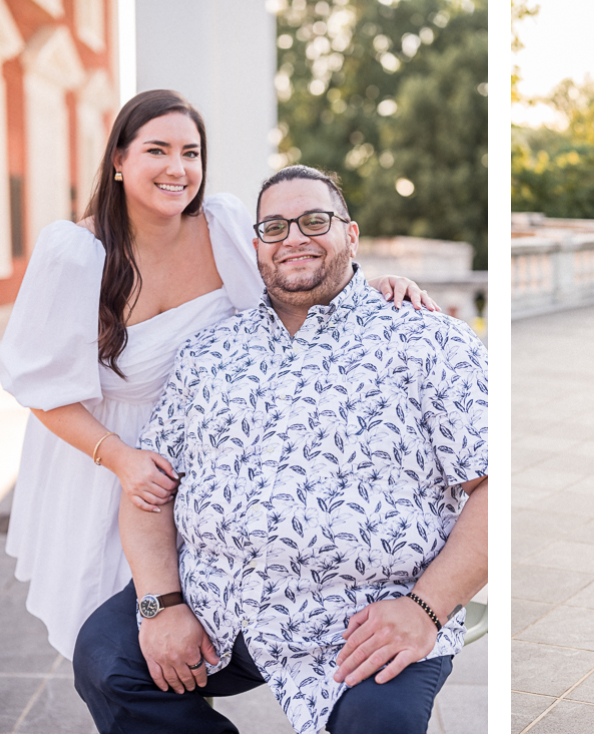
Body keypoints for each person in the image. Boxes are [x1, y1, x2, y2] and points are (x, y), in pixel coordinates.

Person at [0, 90, 435, 662]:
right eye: (157, 150)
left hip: (212, 453)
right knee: (112, 647)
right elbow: (42, 388)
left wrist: (370, 287)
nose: (178, 169)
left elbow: (293, 280)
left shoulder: (224, 223)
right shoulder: (76, 252)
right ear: (119, 160)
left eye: (191, 152)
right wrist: (121, 459)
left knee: (201, 629)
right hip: (108, 456)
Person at [71, 164, 489, 734]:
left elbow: (494, 485)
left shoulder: (430, 341)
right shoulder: (208, 353)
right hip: (214, 601)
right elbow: (151, 487)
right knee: (105, 661)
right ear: (257, 247)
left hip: (362, 619)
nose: (293, 237)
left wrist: (425, 610)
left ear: (351, 234)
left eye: (314, 220)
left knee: (377, 726)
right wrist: (161, 604)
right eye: (274, 227)